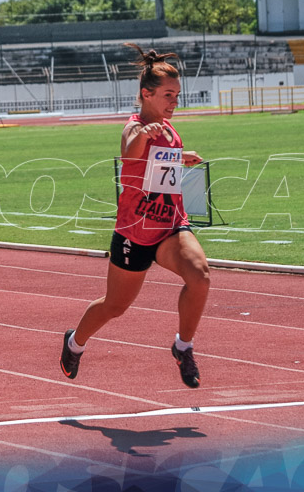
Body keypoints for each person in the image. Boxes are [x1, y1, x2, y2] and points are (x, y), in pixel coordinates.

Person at [60, 44, 211, 388]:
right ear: (147, 94)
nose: (175, 102)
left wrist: (179, 156)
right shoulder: (134, 127)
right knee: (114, 306)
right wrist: (143, 136)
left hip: (171, 226)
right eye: (168, 95)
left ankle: (182, 347)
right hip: (135, 233)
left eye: (177, 94)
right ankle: (74, 343)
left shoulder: (171, 131)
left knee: (200, 276)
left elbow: (157, 166)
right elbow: (130, 156)